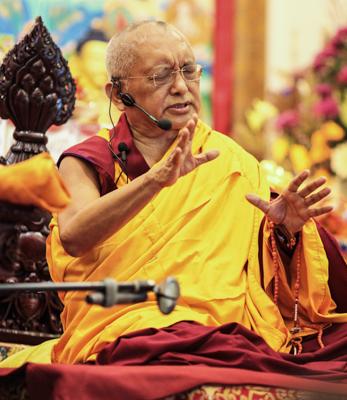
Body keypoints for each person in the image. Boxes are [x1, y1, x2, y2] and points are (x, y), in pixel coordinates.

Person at [2, 21, 347, 397]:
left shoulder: (230, 160)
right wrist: (155, 181)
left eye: (188, 71)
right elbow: (73, 236)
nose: (181, 87)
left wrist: (285, 232)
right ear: (119, 96)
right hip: (133, 322)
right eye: (160, 75)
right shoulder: (89, 159)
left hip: (227, 329)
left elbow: (267, 286)